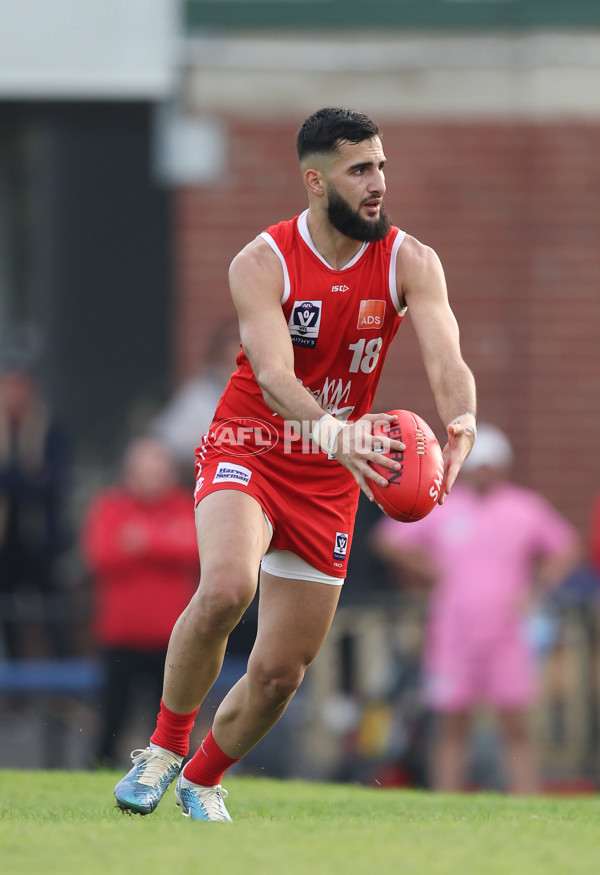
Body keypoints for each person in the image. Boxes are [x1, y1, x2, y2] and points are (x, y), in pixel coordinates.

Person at [114, 106, 477, 821]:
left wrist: (461, 421)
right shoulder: (261, 262)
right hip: (251, 444)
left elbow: (447, 357)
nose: (378, 183)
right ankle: (161, 749)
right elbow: (276, 377)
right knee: (224, 589)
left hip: (329, 479)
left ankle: (203, 778)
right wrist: (334, 431)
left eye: (381, 166)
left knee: (281, 672)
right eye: (359, 170)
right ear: (315, 181)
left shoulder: (412, 260)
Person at [372, 424, 579, 794]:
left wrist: (536, 589)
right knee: (452, 722)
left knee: (515, 722)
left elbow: (565, 546)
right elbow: (390, 539)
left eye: (490, 466)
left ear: (502, 467)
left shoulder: (523, 507)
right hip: (455, 630)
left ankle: (525, 799)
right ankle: (446, 800)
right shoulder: (444, 506)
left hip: (508, 631)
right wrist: (430, 568)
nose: (484, 473)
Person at [82, 437, 199, 766]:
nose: (151, 478)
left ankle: (168, 776)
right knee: (112, 719)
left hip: (173, 639)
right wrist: (165, 540)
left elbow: (194, 548)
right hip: (120, 637)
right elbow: (102, 556)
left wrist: (142, 540)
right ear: (129, 472)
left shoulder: (184, 504)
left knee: (170, 723)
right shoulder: (109, 506)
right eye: (144, 470)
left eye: (157, 470)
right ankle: (100, 772)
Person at [0, 349, 70, 659]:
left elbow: (52, 485)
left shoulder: (48, 428)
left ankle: (64, 692)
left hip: (40, 542)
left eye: (19, 385)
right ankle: (15, 697)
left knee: (54, 617)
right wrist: (27, 478)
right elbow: (34, 483)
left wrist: (10, 478)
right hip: (5, 545)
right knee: (8, 621)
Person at [149, 317, 241, 472]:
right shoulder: (200, 393)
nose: (241, 346)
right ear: (221, 351)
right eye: (236, 340)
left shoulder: (270, 392)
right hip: (203, 478)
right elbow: (163, 442)